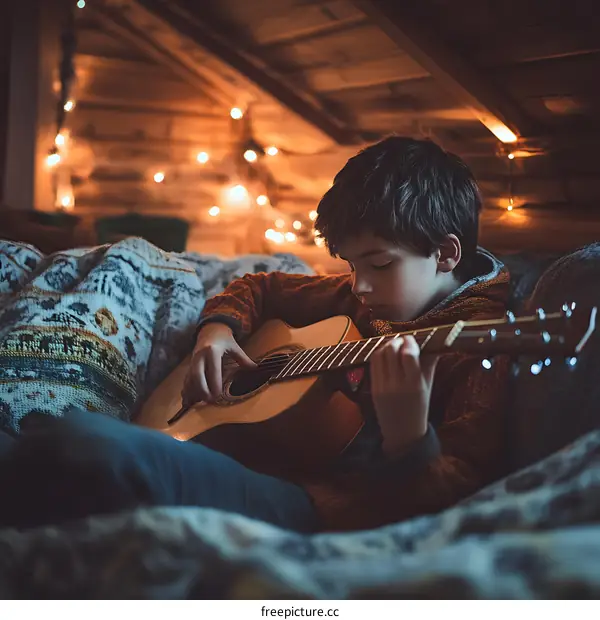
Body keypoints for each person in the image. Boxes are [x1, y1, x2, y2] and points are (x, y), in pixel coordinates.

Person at [0, 136, 510, 533]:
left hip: (323, 505)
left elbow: (457, 499)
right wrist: (215, 334)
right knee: (50, 444)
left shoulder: (482, 352)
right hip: (255, 459)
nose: (360, 284)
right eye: (352, 265)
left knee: (90, 444)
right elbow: (260, 286)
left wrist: (410, 439)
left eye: (378, 263)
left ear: (446, 254)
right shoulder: (358, 295)